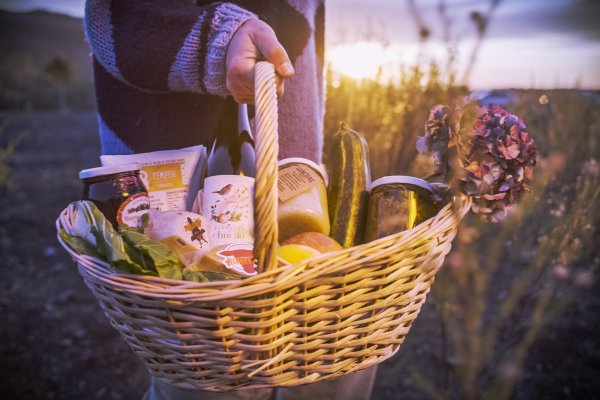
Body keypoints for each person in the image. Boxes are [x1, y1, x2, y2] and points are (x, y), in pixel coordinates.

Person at [84, 1, 377, 399]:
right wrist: (223, 40)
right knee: (212, 380)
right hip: (173, 190)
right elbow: (115, 20)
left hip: (297, 197)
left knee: (332, 373)